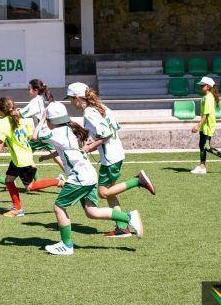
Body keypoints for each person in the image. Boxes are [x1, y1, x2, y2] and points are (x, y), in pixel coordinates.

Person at [32, 101, 143, 256]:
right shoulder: (70, 128)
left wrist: (42, 119)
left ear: (52, 120)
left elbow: (35, 136)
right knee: (92, 211)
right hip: (89, 175)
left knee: (59, 207)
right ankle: (128, 217)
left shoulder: (57, 133)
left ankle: (66, 245)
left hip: (79, 178)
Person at [65, 82, 155, 238]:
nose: (71, 102)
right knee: (111, 193)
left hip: (110, 157)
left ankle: (138, 181)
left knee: (103, 193)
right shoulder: (101, 107)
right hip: (116, 153)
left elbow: (105, 135)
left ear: (78, 98)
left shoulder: (89, 112)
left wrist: (89, 148)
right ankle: (122, 228)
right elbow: (112, 129)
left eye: (71, 99)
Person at [0, 97, 65, 218]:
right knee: (9, 180)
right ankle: (17, 208)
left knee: (30, 187)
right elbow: (27, 137)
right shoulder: (22, 119)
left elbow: (0, 142)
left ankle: (58, 181)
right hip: (21, 157)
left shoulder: (2, 123)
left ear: (1, 110)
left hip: (21, 161)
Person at [17, 79, 65, 173]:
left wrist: (5, 113)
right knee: (57, 158)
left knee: (23, 154)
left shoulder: (35, 101)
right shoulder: (44, 98)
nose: (28, 90)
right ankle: (72, 176)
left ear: (35, 90)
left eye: (29, 88)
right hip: (49, 133)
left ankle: (33, 181)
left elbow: (22, 114)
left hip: (41, 134)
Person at [191, 77, 221, 174]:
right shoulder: (206, 97)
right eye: (201, 85)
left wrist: (197, 126)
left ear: (208, 86)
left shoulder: (208, 98)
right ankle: (202, 166)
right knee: (201, 145)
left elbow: (206, 115)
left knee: (206, 146)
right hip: (205, 125)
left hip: (208, 125)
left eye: (203, 85)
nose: (200, 86)